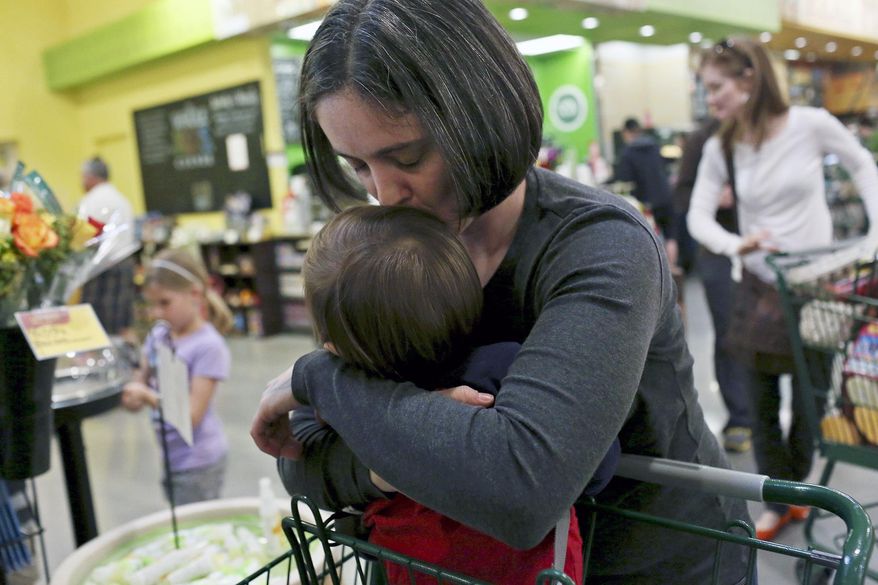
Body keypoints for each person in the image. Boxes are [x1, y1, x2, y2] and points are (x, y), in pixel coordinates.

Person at [251, 1, 750, 582]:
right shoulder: (393, 257)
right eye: (358, 166)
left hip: (656, 562)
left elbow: (520, 485)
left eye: (406, 156)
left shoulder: (600, 244)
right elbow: (299, 458)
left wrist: (322, 380)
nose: (385, 194)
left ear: (481, 115)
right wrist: (395, 460)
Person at [283, 204, 625, 583]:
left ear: (334, 349)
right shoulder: (508, 369)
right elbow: (597, 469)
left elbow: (297, 453)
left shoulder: (341, 403)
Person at [688, 37, 878, 540]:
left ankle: (797, 486)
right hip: (759, 288)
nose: (712, 99)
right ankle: (779, 498)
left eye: (717, 87)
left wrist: (876, 232)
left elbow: (862, 163)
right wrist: (735, 243)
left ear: (749, 78)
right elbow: (697, 216)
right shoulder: (721, 145)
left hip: (819, 290)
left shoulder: (810, 124)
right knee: (760, 399)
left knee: (814, 399)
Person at [121, 248, 233, 505]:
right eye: (152, 304)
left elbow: (191, 415)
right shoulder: (159, 334)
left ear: (194, 294)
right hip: (170, 458)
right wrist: (133, 394)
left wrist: (147, 396)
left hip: (199, 462)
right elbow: (142, 376)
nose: (157, 313)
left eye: (165, 303)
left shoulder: (208, 346)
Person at [675, 117, 753, 453]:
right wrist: (714, 197)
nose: (716, 97)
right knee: (730, 331)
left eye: (720, 87)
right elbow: (681, 196)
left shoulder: (767, 131)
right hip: (717, 250)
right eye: (711, 88)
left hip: (766, 247)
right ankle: (741, 417)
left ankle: (765, 417)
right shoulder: (703, 140)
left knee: (774, 336)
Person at [78, 157, 137, 341]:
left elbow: (83, 236)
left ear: (91, 177)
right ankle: (130, 364)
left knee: (99, 325)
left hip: (102, 270)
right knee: (122, 324)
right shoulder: (121, 199)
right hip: (125, 264)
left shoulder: (91, 200)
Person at [616, 117, 678, 266]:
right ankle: (674, 274)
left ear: (626, 132)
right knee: (670, 237)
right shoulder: (654, 145)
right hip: (666, 197)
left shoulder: (628, 153)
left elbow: (625, 181)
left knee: (651, 240)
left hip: (647, 202)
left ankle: (660, 278)